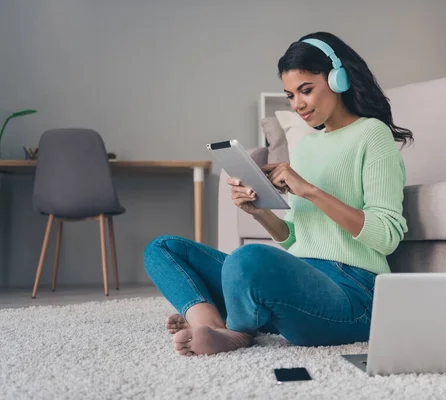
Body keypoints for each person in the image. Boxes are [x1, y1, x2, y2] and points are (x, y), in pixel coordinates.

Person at [144, 31, 413, 357]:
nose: (298, 104)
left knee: (247, 259)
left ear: (338, 79)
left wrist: (309, 190)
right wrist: (257, 211)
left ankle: (237, 328)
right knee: (162, 248)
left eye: (306, 90)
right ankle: (210, 322)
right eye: (290, 95)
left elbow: (386, 236)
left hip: (353, 292)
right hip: (299, 278)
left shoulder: (373, 135)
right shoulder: (308, 145)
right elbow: (293, 238)